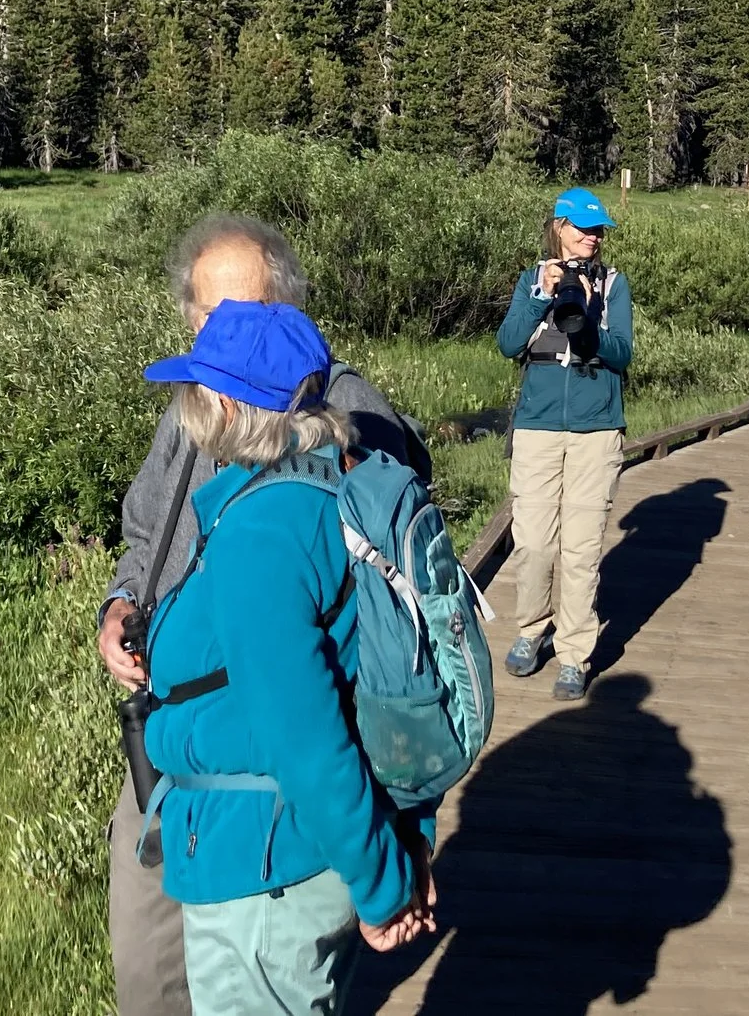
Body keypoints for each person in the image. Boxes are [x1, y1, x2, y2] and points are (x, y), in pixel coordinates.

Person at [97, 213, 426, 1016]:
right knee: (151, 967)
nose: (218, 332)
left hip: (264, 792)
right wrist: (122, 603)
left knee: (257, 973)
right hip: (183, 749)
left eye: (237, 314)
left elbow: (304, 718)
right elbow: (146, 529)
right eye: (205, 315)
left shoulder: (323, 435)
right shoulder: (196, 409)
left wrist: (384, 871)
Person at [497, 185, 635, 702]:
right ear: (559, 227)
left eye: (598, 230)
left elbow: (622, 354)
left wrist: (590, 318)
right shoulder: (532, 279)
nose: (592, 238)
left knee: (581, 550)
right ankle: (532, 629)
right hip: (537, 427)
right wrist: (543, 295)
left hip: (596, 430)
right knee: (533, 543)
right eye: (583, 228)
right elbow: (508, 343)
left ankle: (575, 654)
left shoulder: (614, 285)